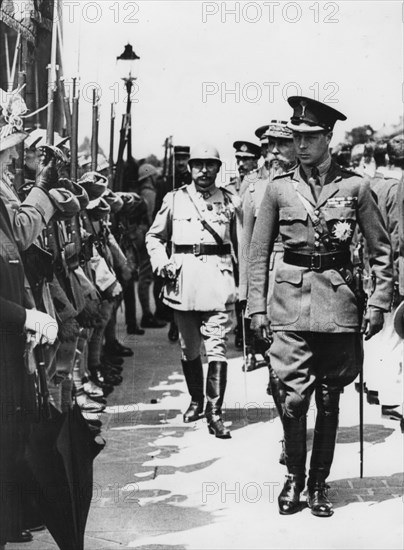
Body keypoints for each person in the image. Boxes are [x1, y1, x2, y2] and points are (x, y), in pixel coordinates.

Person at [248, 96, 393, 517]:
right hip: (288, 303)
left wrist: (379, 303)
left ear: (328, 137)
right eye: (297, 137)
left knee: (330, 398)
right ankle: (293, 477)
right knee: (292, 399)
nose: (303, 144)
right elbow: (258, 255)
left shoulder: (355, 187)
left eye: (311, 137)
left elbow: (380, 251)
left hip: (338, 303)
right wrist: (256, 308)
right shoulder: (277, 189)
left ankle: (318, 484)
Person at [146, 143, 241, 439]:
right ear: (189, 167)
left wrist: (246, 287)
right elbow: (154, 236)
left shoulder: (231, 201)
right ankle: (197, 400)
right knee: (189, 349)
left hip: (217, 280)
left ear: (217, 168)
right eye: (198, 164)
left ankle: (215, 412)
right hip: (184, 281)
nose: (203, 170)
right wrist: (161, 261)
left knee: (217, 347)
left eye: (209, 165)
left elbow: (242, 246)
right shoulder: (175, 199)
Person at [239, 120, 296, 392]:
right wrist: (246, 295)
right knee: (274, 350)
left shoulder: (309, 186)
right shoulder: (253, 188)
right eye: (269, 146)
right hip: (271, 279)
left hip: (305, 279)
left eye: (280, 145)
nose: (273, 153)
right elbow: (248, 246)